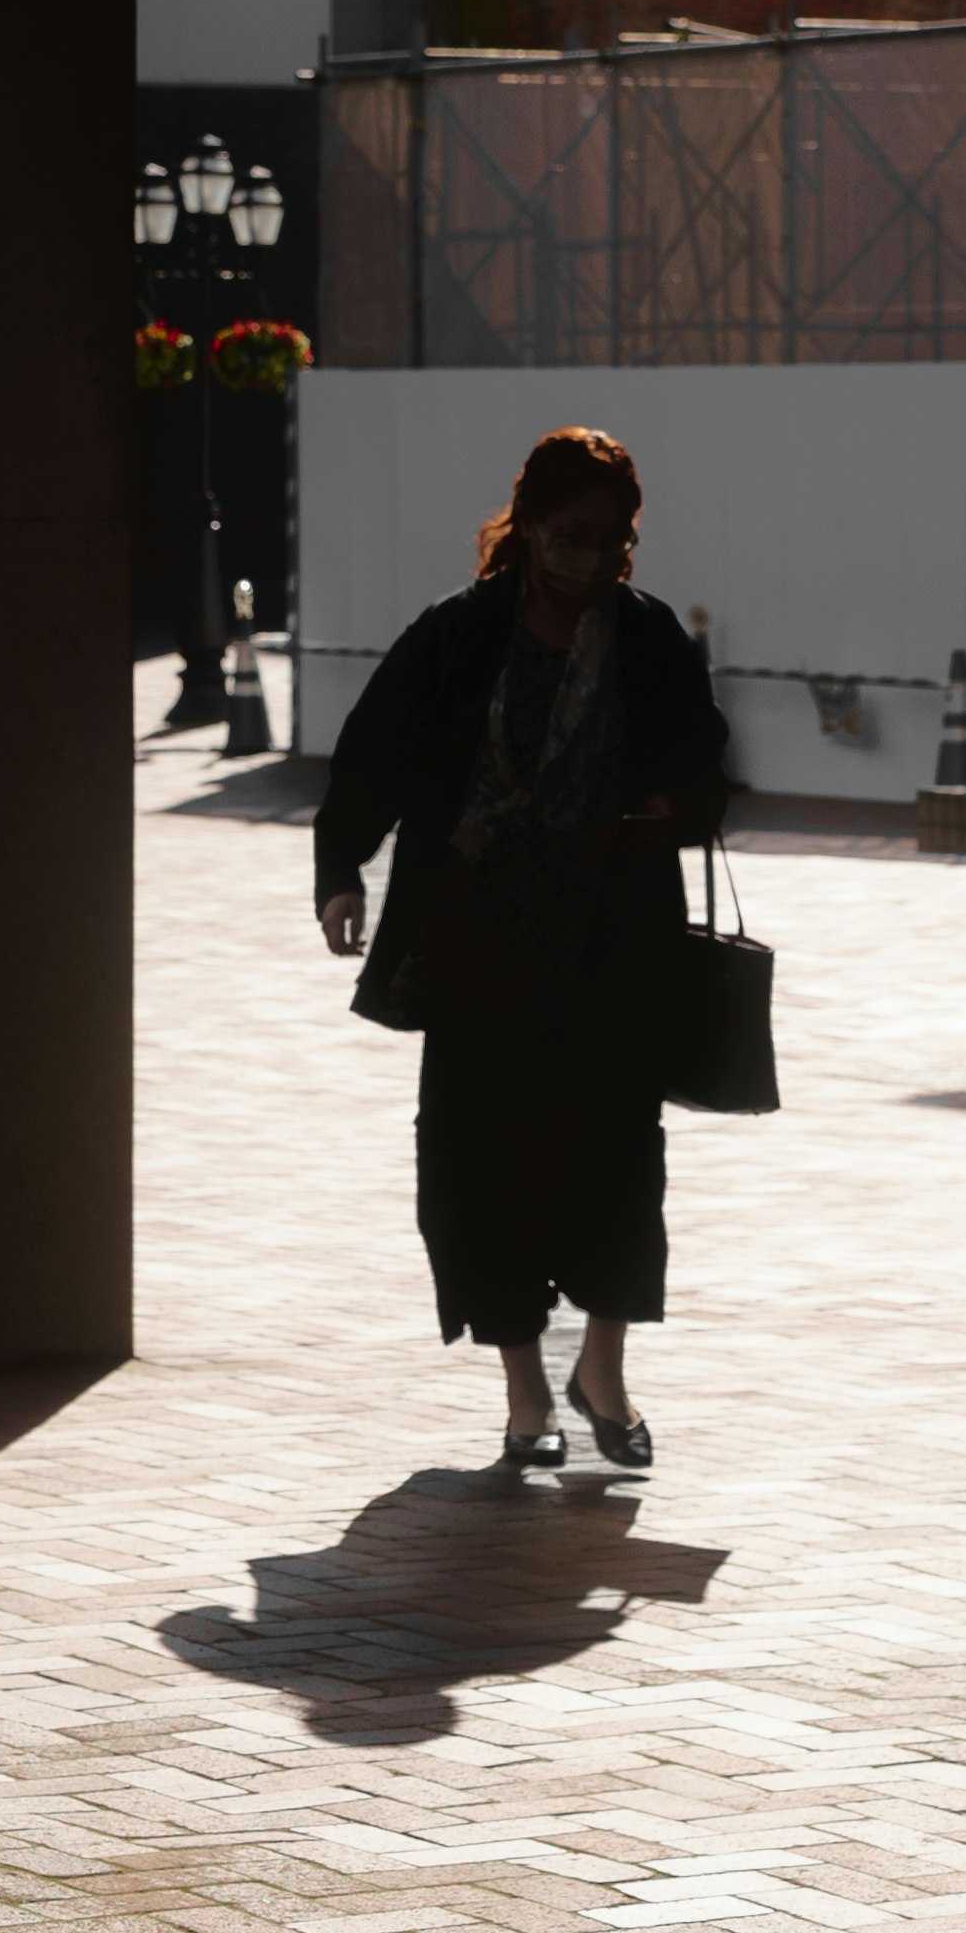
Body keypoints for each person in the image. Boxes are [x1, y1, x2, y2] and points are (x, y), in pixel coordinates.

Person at [311, 424, 730, 1477]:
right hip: (477, 941)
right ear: (531, 526)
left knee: (618, 1162)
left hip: (612, 935)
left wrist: (667, 802)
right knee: (476, 1167)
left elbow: (704, 760)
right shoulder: (459, 636)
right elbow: (376, 750)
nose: (596, 557)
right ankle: (524, 1388)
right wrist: (340, 868)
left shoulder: (647, 639)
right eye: (576, 535)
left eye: (616, 538)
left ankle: (604, 1369)